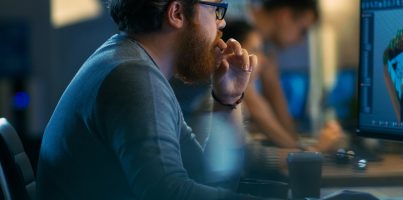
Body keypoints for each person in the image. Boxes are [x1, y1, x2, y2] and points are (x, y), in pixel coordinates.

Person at [36, 0, 260, 199]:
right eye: (216, 10)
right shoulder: (133, 75)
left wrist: (227, 99)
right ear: (177, 13)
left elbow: (208, 177)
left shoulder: (131, 62)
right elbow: (167, 193)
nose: (221, 23)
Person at [245, 0, 343, 151]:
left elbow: (271, 92)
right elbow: (251, 103)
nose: (301, 40)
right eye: (302, 30)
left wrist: (294, 142)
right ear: (285, 16)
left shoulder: (263, 46)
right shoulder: (246, 34)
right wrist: (304, 152)